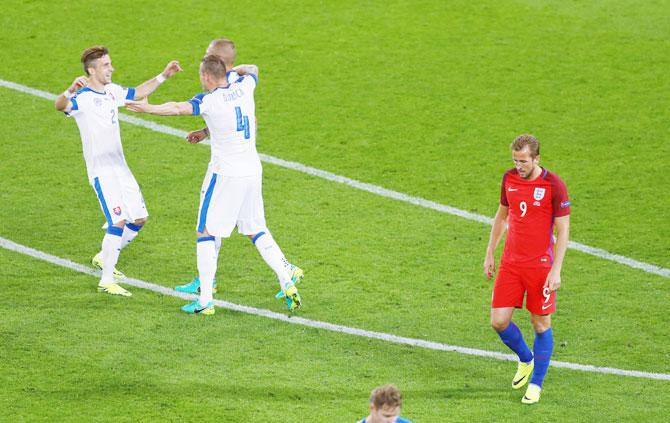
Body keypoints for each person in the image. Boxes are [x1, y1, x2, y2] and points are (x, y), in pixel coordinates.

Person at [127, 55, 303, 314]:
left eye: (201, 74)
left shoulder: (209, 100)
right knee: (256, 228)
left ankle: (205, 300)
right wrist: (207, 129)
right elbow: (253, 68)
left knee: (206, 231)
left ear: (207, 77)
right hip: (252, 170)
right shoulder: (244, 85)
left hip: (226, 175)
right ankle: (287, 279)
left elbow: (177, 108)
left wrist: (147, 108)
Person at [174, 38, 304, 302]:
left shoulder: (220, 88)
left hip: (225, 168)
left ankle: (206, 292)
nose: (204, 60)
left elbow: (203, 111)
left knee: (209, 225)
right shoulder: (240, 84)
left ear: (219, 63)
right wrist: (204, 132)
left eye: (208, 56)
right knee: (251, 225)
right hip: (249, 165)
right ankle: (284, 271)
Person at [54, 45, 182, 296]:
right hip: (102, 171)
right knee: (118, 220)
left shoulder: (112, 91)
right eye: (105, 65)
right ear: (91, 70)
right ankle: (106, 280)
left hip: (121, 168)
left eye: (110, 64)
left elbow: (139, 92)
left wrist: (164, 75)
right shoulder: (81, 98)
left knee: (139, 218)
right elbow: (59, 106)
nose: (111, 68)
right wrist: (70, 89)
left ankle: (103, 257)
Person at [483, 134, 571, 404]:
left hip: (540, 266)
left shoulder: (553, 184)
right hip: (511, 264)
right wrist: (490, 252)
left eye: (523, 161)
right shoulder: (509, 179)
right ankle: (526, 358)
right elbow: (502, 216)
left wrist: (556, 270)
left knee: (540, 323)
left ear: (536, 159)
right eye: (515, 160)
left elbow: (563, 228)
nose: (518, 166)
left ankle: (536, 384)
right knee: (498, 321)